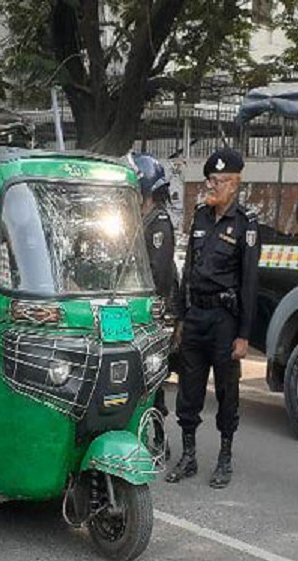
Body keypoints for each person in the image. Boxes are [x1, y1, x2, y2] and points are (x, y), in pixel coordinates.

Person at [165, 148, 260, 489]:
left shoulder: (246, 224)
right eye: (210, 180)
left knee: (226, 391)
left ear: (235, 184)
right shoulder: (201, 218)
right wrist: (180, 318)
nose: (212, 186)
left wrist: (244, 335)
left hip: (224, 320)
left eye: (220, 181)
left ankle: (224, 457)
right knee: (188, 391)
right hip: (196, 316)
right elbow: (188, 269)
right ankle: (188, 455)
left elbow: (250, 282)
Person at [130, 152, 179, 457]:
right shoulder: (139, 218)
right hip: (139, 309)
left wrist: (153, 312)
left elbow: (158, 274)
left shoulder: (158, 223)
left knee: (154, 376)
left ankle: (159, 440)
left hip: (154, 312)